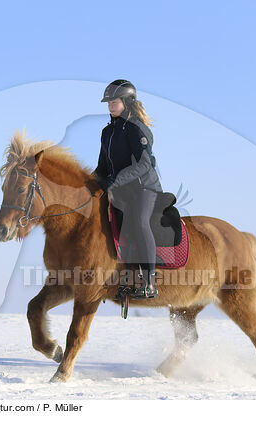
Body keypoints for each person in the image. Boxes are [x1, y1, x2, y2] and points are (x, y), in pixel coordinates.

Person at [92, 79, 163, 299]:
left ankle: (149, 282)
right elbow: (103, 167)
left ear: (126, 102)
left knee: (140, 222)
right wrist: (87, 184)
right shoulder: (107, 133)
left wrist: (114, 180)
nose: (110, 105)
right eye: (108, 102)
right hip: (121, 189)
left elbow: (144, 165)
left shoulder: (137, 128)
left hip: (144, 189)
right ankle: (121, 277)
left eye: (114, 101)